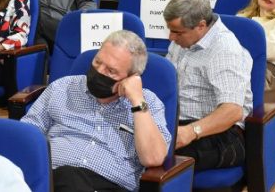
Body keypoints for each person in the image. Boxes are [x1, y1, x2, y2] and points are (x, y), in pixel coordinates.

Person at [22, 30, 170, 192]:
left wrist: (137, 101)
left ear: (132, 77)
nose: (99, 71)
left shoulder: (148, 103)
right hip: (53, 179)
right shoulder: (62, 87)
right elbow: (25, 135)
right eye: (98, 62)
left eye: (111, 71)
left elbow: (153, 158)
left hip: (111, 186)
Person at [163, 0, 252, 171]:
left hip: (217, 132)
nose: (171, 38)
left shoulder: (224, 49)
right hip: (177, 122)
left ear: (201, 26)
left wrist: (190, 132)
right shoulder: (183, 39)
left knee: (154, 156)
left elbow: (232, 111)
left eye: (177, 32)